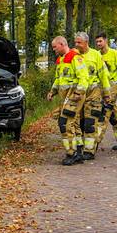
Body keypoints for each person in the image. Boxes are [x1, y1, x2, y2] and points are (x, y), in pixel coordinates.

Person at [46, 35, 91, 165]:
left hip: (74, 95)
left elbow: (84, 77)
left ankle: (71, 153)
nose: (54, 49)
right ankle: (79, 151)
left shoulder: (75, 57)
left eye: (55, 47)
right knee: (74, 123)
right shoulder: (61, 60)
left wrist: (78, 92)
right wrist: (52, 91)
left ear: (62, 44)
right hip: (66, 96)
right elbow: (59, 79)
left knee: (64, 123)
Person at [94, 33, 117, 150]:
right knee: (113, 115)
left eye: (100, 41)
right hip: (102, 87)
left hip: (113, 86)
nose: (99, 44)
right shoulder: (97, 55)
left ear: (106, 41)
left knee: (104, 112)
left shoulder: (115, 54)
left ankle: (94, 143)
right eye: (97, 42)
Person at [75, 32, 106, 160]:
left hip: (93, 93)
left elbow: (103, 75)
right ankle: (78, 148)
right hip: (78, 95)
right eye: (75, 42)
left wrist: (107, 94)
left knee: (90, 123)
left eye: (79, 42)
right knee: (79, 123)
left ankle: (89, 150)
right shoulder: (74, 55)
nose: (76, 45)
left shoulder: (95, 55)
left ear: (86, 42)